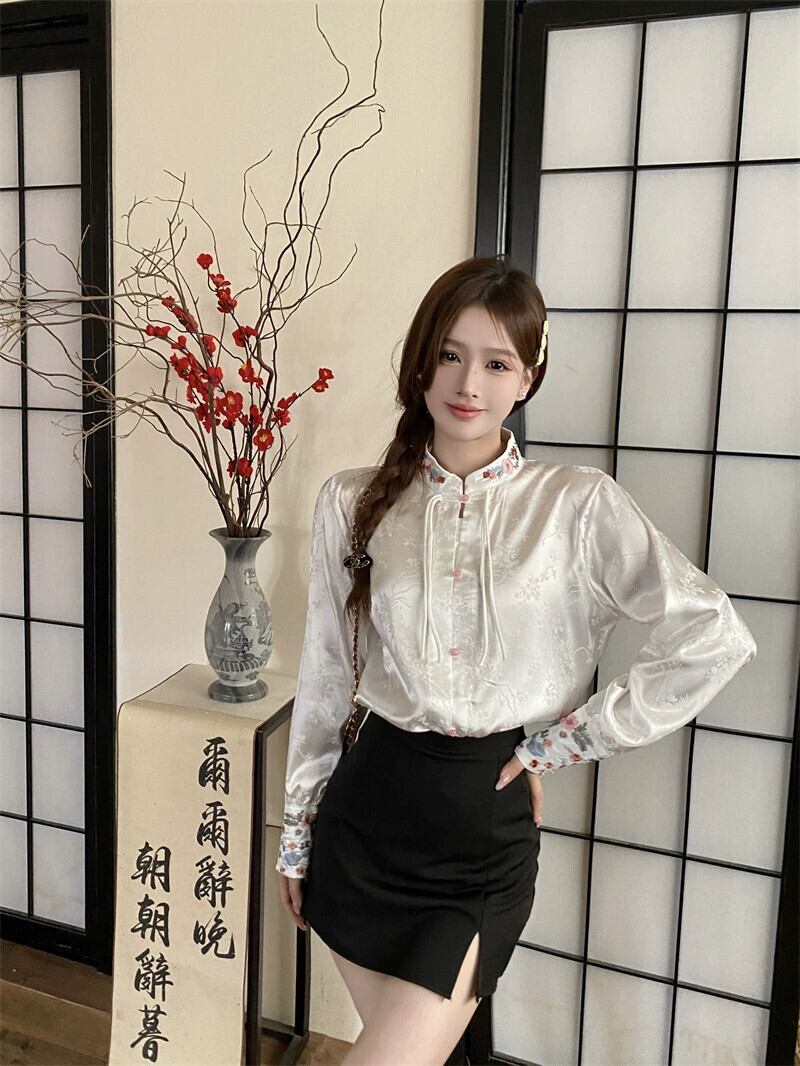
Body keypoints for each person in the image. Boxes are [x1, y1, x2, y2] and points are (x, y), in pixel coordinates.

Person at [275, 254, 757, 1066]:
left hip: (481, 839)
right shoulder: (351, 502)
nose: (469, 383)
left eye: (497, 363)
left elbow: (713, 632)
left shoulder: (577, 505)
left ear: (528, 377)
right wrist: (297, 832)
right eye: (450, 354)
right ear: (420, 362)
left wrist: (564, 741)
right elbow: (326, 675)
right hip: (363, 822)